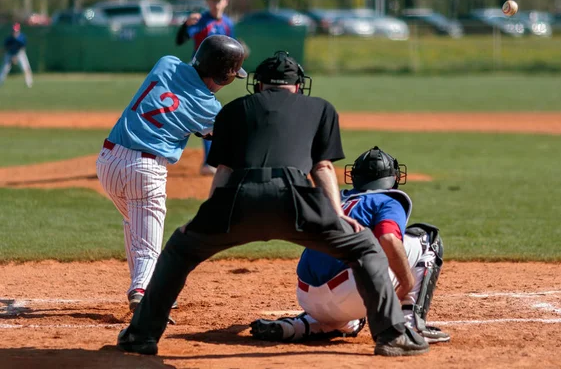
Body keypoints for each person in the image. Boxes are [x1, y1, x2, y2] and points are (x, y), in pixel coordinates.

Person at [116, 51, 430, 358]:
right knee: (363, 248)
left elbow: (223, 171)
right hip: (296, 199)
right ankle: (392, 335)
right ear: (297, 85)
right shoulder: (321, 109)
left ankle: (141, 335)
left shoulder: (233, 110)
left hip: (238, 198)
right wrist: (337, 214)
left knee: (178, 251)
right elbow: (321, 169)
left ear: (260, 85)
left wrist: (204, 218)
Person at [96, 35, 246, 314]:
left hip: (107, 161)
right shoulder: (211, 109)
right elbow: (222, 136)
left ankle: (149, 286)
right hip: (145, 170)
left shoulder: (166, 64)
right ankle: (144, 293)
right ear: (223, 77)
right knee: (149, 247)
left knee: (135, 225)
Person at [249, 146, 449, 344]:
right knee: (427, 238)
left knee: (350, 319)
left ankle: (296, 326)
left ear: (354, 176)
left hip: (307, 296)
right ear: (393, 178)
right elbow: (388, 239)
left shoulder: (334, 201)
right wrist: (406, 283)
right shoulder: (387, 199)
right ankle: (411, 324)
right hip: (353, 293)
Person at [175, 0, 236, 176]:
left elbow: (231, 47)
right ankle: (209, 163)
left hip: (215, 75)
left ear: (225, 2)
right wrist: (185, 25)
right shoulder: (201, 21)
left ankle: (209, 161)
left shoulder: (228, 23)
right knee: (206, 115)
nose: (216, 3)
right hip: (198, 72)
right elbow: (180, 40)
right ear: (208, 2)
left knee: (203, 114)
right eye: (213, 0)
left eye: (219, 0)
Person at [0, 23, 33, 88]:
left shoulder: (22, 38)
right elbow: (6, 49)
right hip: (9, 54)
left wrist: (15, 57)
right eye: (13, 31)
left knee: (25, 68)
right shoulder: (9, 39)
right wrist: (11, 56)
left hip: (20, 54)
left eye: (16, 31)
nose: (14, 32)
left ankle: (29, 83)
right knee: (4, 69)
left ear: (19, 31)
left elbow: (22, 48)